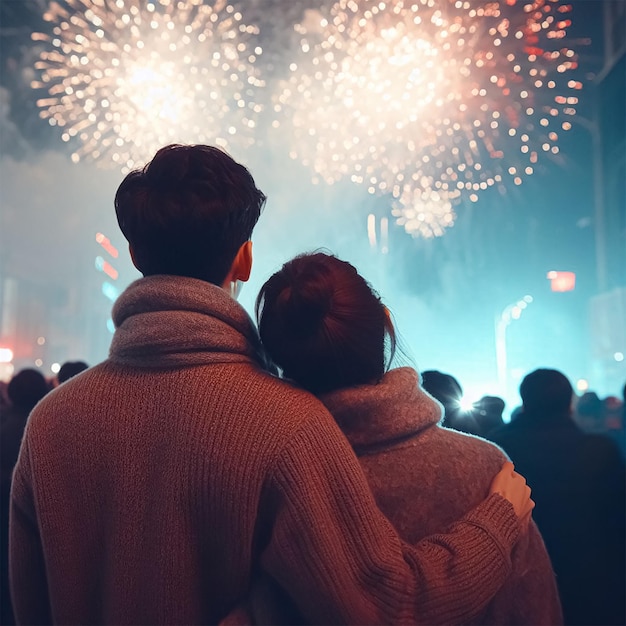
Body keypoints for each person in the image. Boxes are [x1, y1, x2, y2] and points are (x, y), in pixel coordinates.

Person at [10, 144, 533, 625]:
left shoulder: (51, 423)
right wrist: (498, 521)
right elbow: (383, 607)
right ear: (245, 258)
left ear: (135, 255)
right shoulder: (286, 422)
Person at [256, 251, 561, 625]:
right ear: (386, 325)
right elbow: (534, 611)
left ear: (274, 354)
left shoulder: (268, 474)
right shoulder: (487, 471)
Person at [491, 369, 626, 626]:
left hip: (520, 579)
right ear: (570, 403)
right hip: (595, 579)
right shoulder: (600, 450)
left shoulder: (498, 451)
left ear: (524, 401)